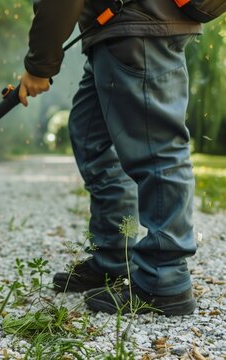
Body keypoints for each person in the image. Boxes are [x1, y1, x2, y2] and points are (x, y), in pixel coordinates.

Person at [19, 0, 202, 316]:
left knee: (158, 149)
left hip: (136, 29)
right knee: (90, 136)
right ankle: (115, 256)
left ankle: (165, 279)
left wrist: (40, 64)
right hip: (115, 31)